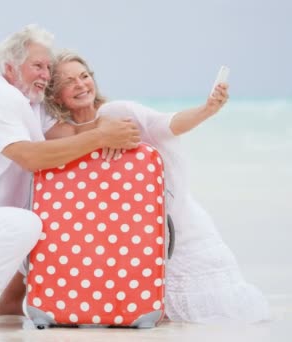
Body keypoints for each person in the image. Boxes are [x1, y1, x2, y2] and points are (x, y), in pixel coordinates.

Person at [0, 26, 141, 326]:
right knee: (26, 223)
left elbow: (68, 134)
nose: (46, 74)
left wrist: (112, 127)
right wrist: (101, 137)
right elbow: (31, 157)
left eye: (48, 67)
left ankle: (7, 304)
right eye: (37, 66)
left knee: (53, 215)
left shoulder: (31, 104)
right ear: (9, 67)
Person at [42, 50, 270, 324]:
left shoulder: (119, 112)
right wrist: (102, 135)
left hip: (176, 225)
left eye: (84, 76)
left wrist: (206, 110)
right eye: (69, 81)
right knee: (144, 316)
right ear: (55, 95)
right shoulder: (60, 133)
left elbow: (167, 124)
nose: (80, 84)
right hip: (125, 238)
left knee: (207, 316)